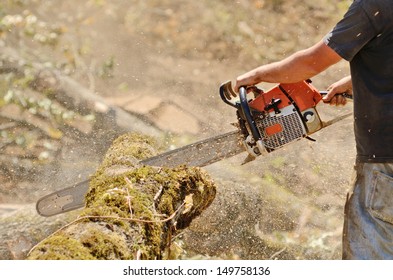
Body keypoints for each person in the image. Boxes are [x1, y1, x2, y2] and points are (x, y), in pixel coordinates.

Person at [234, 0, 393, 259]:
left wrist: (259, 74)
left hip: (385, 161)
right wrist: (359, 79)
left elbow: (312, 62)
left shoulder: (375, 5)